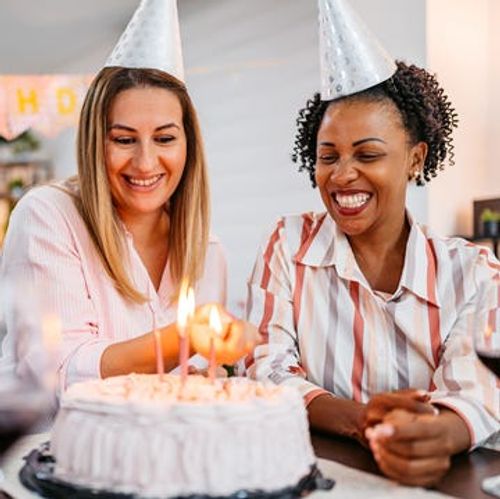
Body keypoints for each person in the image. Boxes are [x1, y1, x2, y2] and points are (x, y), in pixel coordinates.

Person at [245, 0, 499, 487]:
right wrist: (361, 420)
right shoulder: (287, 244)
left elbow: (479, 390)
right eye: (328, 156)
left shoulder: (474, 271)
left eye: (368, 154)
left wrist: (438, 434)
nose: (342, 175)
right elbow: (265, 370)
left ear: (415, 158)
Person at [0, 0, 257, 389]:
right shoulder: (47, 216)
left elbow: (190, 378)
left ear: (189, 144)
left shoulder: (208, 251)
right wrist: (183, 337)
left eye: (165, 138)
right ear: (94, 143)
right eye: (124, 139)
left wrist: (210, 375)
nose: (145, 161)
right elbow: (54, 375)